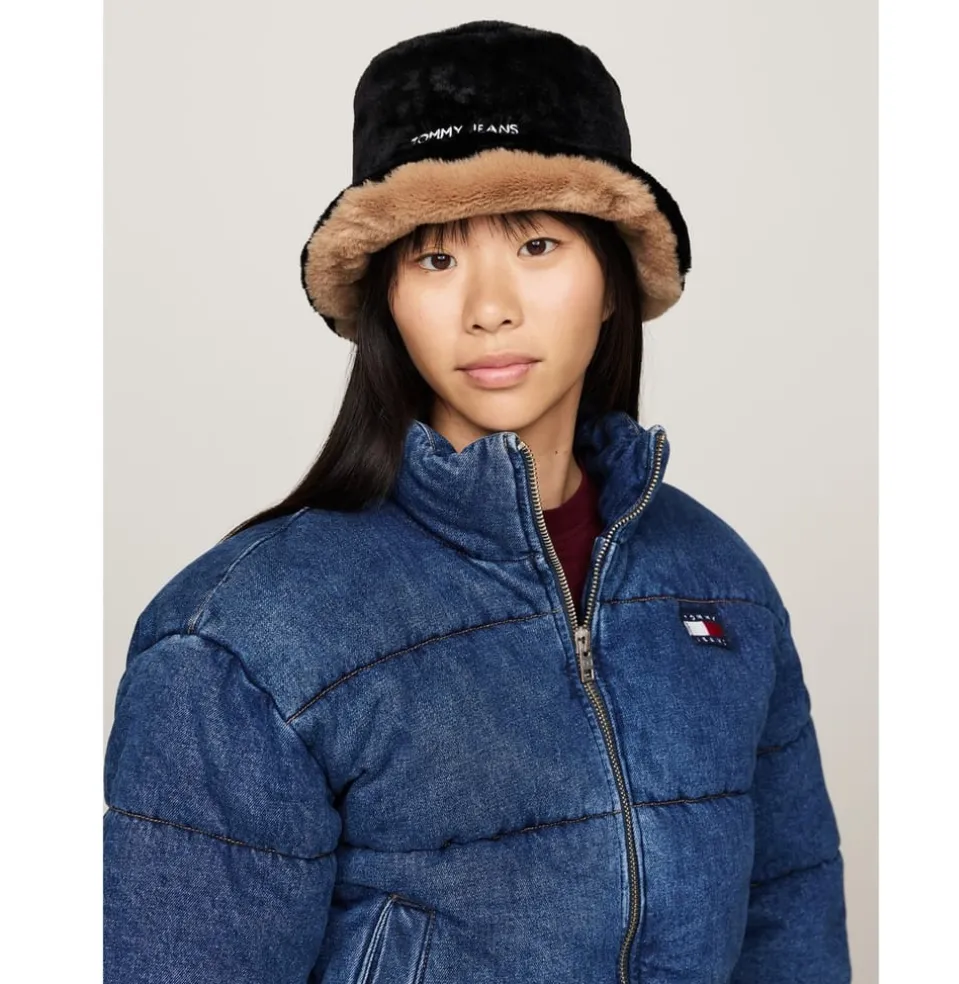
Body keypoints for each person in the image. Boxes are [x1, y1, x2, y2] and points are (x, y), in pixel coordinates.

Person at [103, 19, 851, 984]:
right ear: (386, 296)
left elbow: (790, 923)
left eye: (537, 244)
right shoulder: (243, 640)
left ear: (613, 280)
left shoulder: (720, 583)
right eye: (437, 259)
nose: (489, 307)